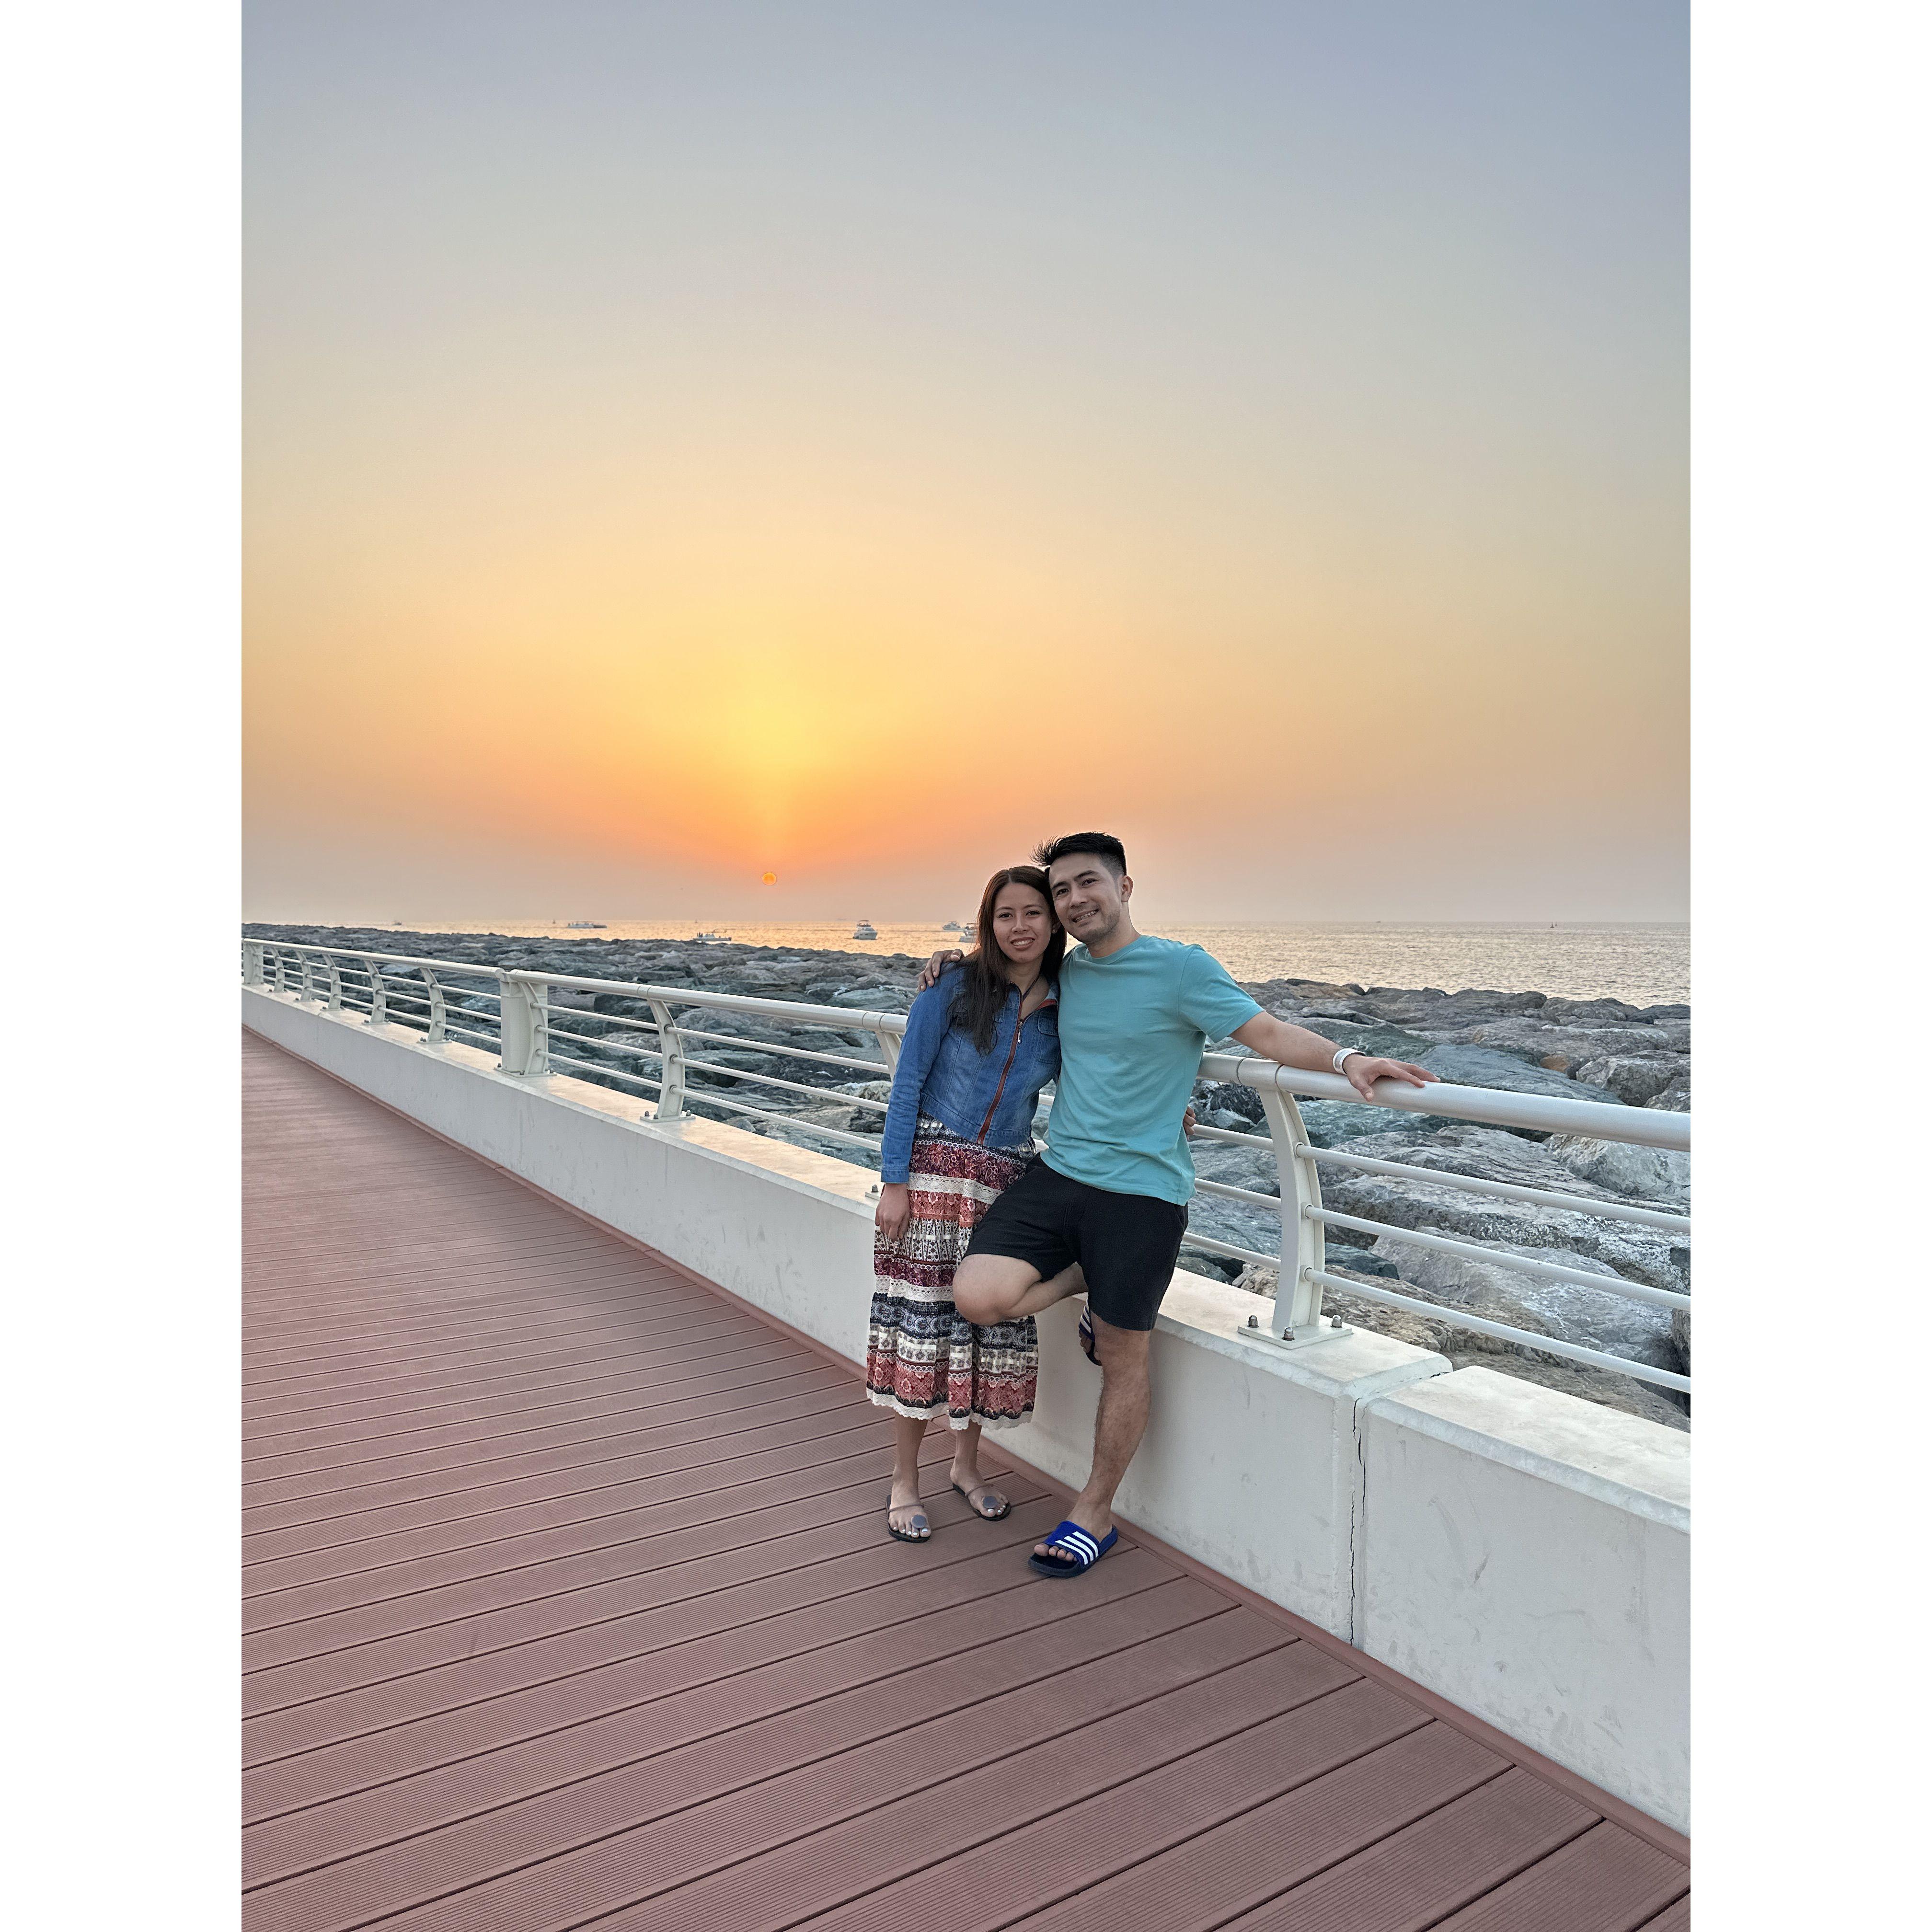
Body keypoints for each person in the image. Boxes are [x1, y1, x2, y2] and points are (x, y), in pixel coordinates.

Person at [924, 831, 1437, 1578]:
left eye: (1087, 883)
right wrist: (948, 965)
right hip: (1059, 1174)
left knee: (1126, 1353)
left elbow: (1263, 1032)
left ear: (1125, 886)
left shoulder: (1181, 967)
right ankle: (1090, 1280)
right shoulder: (1068, 973)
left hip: (1143, 1192)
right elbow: (1004, 980)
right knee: (977, 1296)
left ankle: (1092, 1513)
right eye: (1061, 890)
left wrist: (1347, 1058)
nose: (1073, 900)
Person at [866, 865, 1066, 1542]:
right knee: (920, 1330)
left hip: (1003, 1181)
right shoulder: (952, 987)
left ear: (1054, 920)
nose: (1020, 928)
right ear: (988, 921)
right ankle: (903, 1478)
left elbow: (1102, 1076)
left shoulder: (1066, 1003)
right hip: (931, 1174)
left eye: (1033, 913)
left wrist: (1170, 1108)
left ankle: (967, 1467)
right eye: (1006, 915)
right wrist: (895, 1180)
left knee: (985, 1334)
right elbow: (908, 1082)